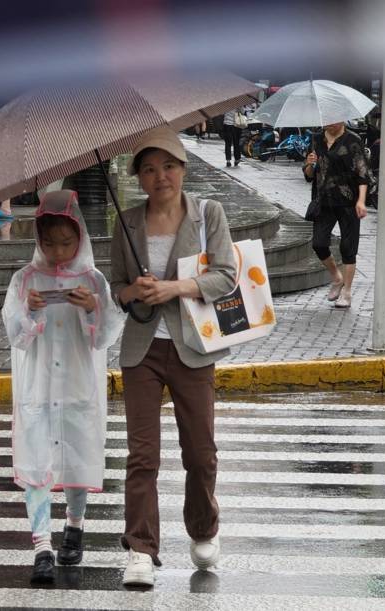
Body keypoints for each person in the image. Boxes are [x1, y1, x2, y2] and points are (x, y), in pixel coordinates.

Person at [109, 126, 236, 587]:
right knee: (142, 456)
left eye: (167, 166)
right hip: (142, 349)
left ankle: (204, 529)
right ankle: (141, 549)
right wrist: (133, 291)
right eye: (148, 168)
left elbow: (225, 276)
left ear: (182, 169)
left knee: (200, 453)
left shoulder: (208, 214)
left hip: (193, 349)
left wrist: (173, 288)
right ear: (138, 177)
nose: (159, 176)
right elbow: (115, 288)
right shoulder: (127, 222)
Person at [2, 189, 122, 584]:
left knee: (76, 456)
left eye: (66, 243)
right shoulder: (24, 279)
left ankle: (75, 524)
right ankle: (42, 546)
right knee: (37, 463)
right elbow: (16, 337)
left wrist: (92, 307)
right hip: (37, 388)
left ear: (80, 239)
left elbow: (104, 337)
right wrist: (30, 312)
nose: (57, 251)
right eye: (49, 243)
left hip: (76, 386)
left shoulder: (93, 280)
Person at [304, 121, 369, 309]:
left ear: (341, 120)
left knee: (348, 247)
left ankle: (347, 292)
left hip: (348, 201)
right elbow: (309, 175)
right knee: (319, 243)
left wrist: (361, 201)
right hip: (323, 200)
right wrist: (309, 165)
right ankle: (336, 277)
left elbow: (363, 173)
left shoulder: (353, 141)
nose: (327, 124)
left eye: (331, 121)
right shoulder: (317, 139)